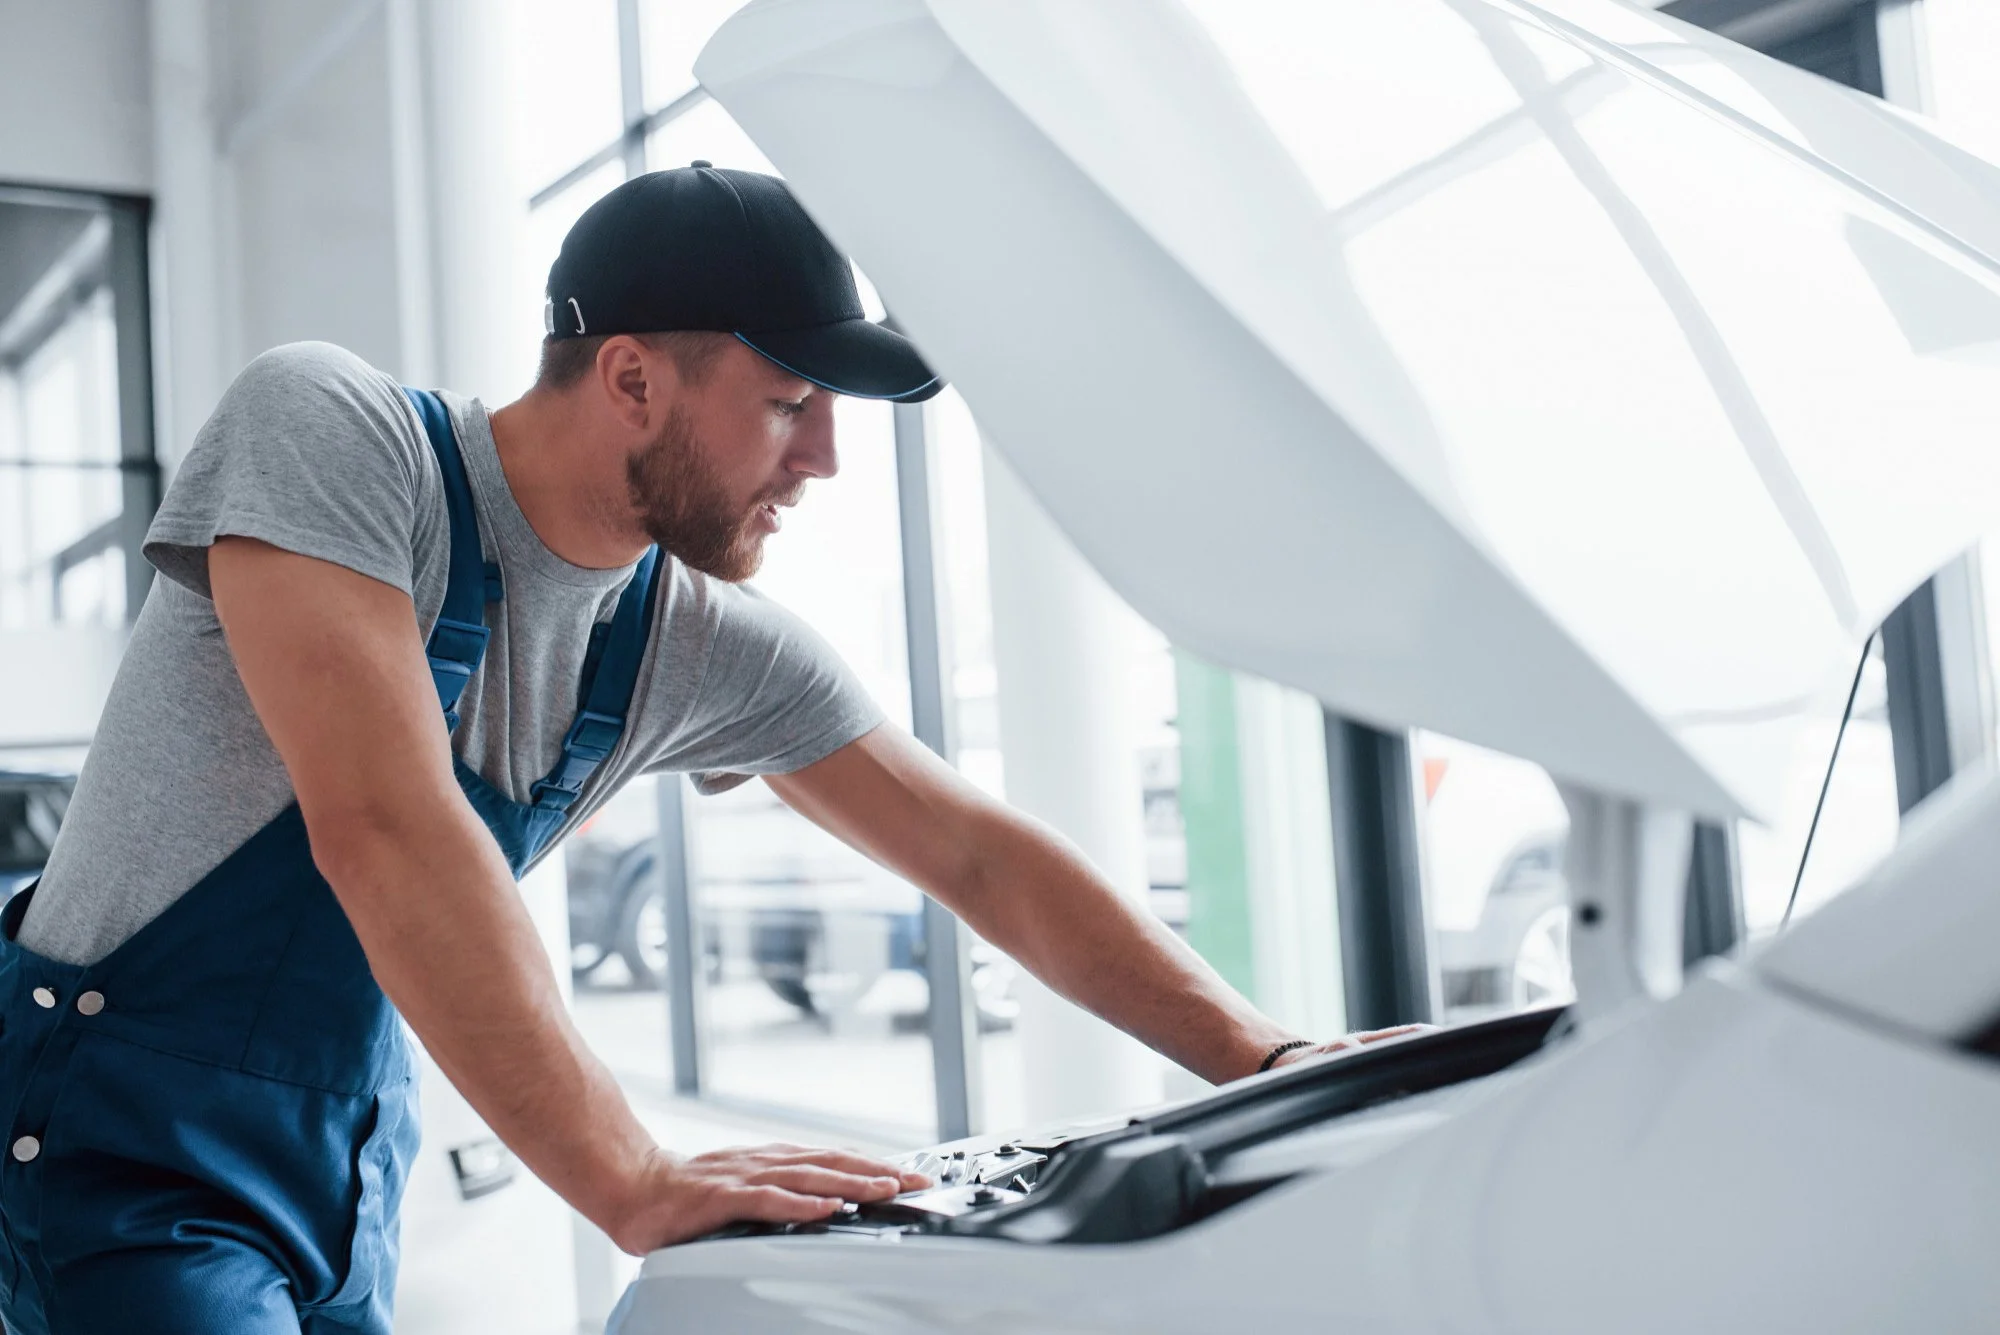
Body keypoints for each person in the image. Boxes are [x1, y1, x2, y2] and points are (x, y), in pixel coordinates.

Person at [0, 166, 1414, 1335]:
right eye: (793, 403)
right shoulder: (335, 438)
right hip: (113, 1147)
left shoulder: (690, 641)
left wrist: (1264, 1052)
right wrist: (629, 1172)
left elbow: (974, 849)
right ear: (629, 378)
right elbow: (380, 824)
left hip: (341, 1171)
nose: (827, 462)